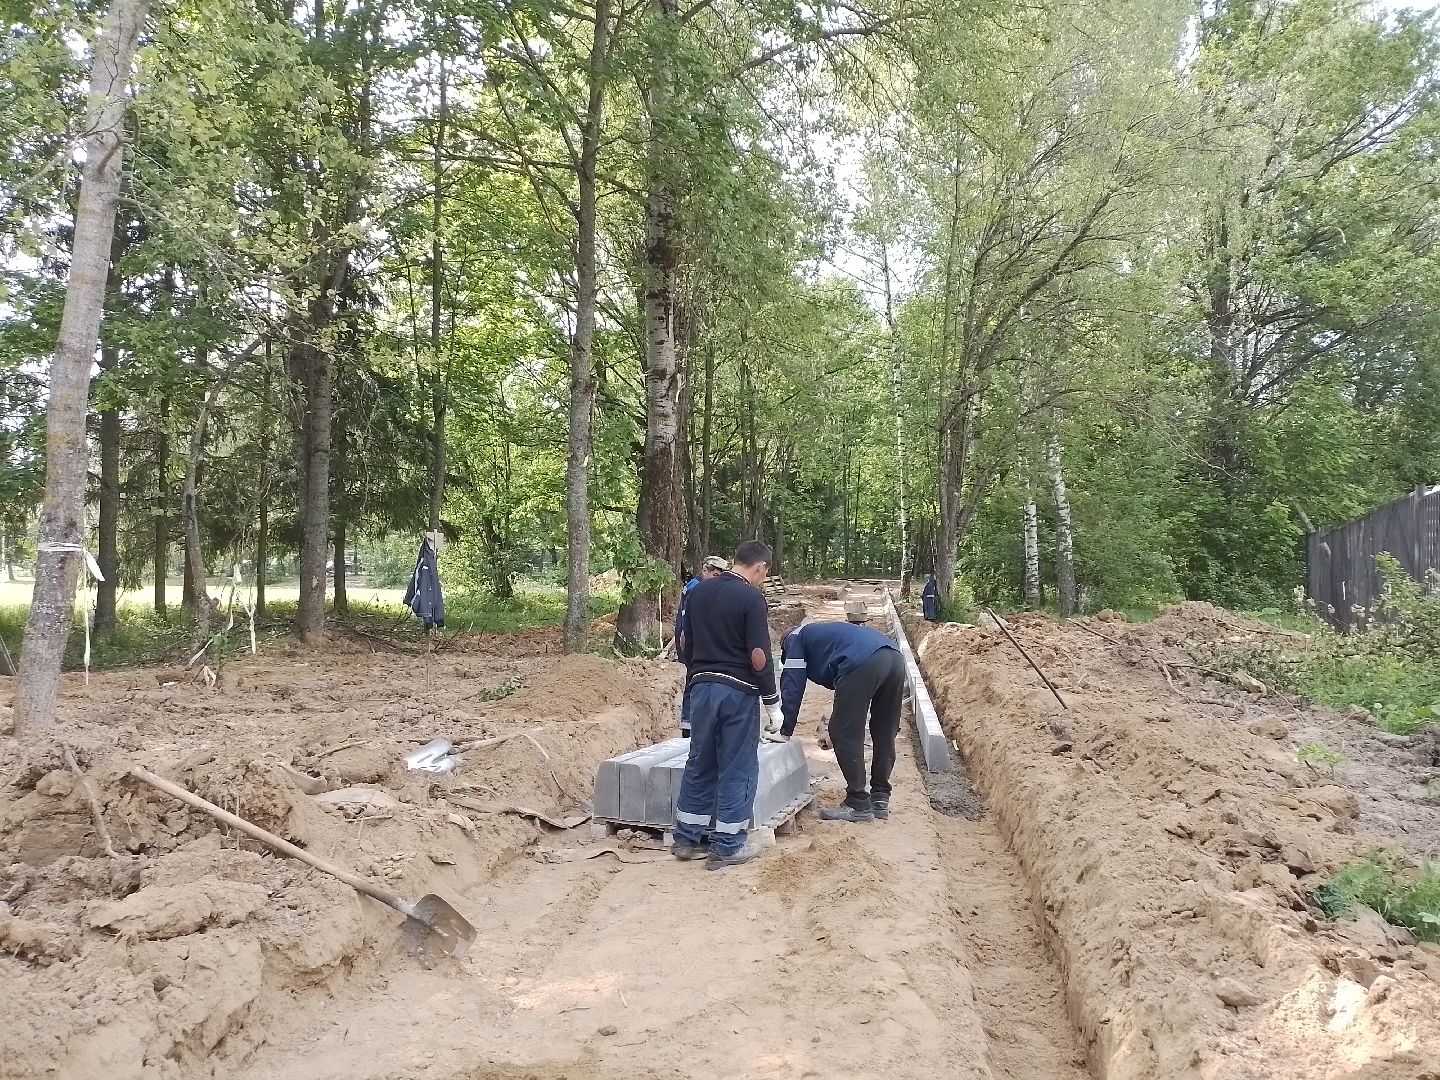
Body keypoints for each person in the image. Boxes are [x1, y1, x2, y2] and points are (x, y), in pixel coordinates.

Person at [672, 540, 782, 870]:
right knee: (737, 766)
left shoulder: (698, 592)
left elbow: (684, 641)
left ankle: (686, 839)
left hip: (702, 689)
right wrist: (772, 702)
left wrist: (697, 671)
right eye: (765, 573)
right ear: (761, 567)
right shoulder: (751, 597)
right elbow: (759, 656)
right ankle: (728, 845)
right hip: (737, 693)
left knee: (700, 760)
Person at [772, 617, 906, 823]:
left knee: (845, 734)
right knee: (884, 729)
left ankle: (858, 802)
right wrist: (834, 725)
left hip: (862, 662)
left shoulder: (794, 639)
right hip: (894, 658)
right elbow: (845, 696)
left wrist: (784, 729)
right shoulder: (826, 635)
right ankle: (880, 798)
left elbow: (792, 685)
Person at [675, 555, 729, 736]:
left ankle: (696, 725)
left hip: (696, 640)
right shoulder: (696, 588)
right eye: (714, 574)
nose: (717, 579)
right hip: (692, 641)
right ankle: (689, 727)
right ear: (705, 570)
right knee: (695, 681)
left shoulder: (700, 587)